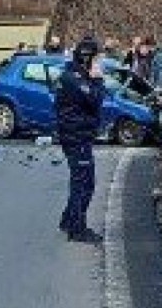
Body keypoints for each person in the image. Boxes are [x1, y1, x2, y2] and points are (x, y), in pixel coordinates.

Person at [55, 36, 106, 243]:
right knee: (85, 183)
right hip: (76, 136)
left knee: (80, 180)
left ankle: (68, 219)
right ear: (87, 58)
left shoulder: (74, 75)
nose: (99, 63)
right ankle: (77, 229)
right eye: (96, 58)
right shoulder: (74, 79)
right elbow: (95, 100)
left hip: (76, 134)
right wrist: (97, 79)